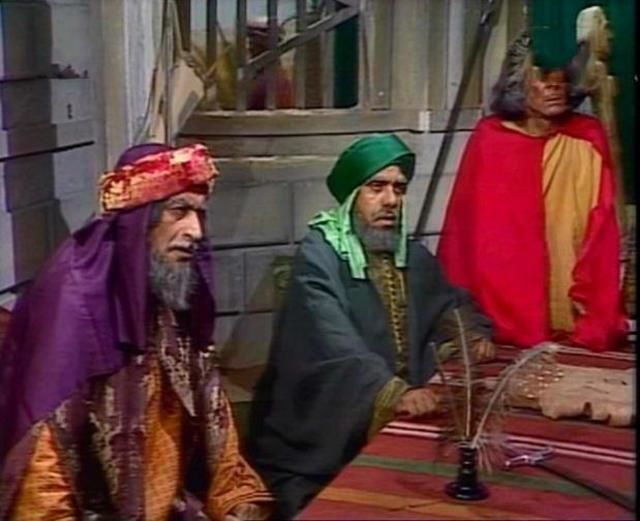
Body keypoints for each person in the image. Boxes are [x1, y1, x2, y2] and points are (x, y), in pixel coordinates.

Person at [0, 143, 273, 520]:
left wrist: (237, 502)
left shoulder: (168, 287)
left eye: (200, 213)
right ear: (140, 220)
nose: (195, 231)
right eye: (178, 211)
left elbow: (216, 426)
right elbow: (42, 485)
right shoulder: (73, 301)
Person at [247, 134, 494, 518]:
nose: (391, 200)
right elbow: (332, 342)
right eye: (376, 187)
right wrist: (391, 392)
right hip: (323, 431)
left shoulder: (409, 254)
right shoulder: (319, 255)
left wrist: (469, 336)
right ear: (352, 197)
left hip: (405, 413)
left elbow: (448, 303)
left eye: (399, 188)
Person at [437, 31, 627, 353]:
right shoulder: (490, 138)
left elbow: (602, 223)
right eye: (543, 77)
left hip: (571, 300)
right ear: (518, 83)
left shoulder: (586, 136)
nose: (555, 86)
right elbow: (467, 232)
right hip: (502, 302)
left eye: (562, 77)